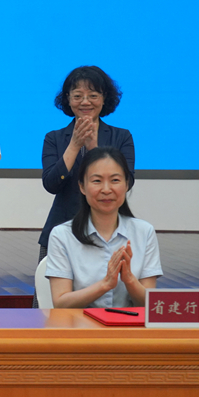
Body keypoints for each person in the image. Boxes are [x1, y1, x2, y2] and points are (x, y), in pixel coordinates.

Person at [36, 66, 134, 306]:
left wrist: (92, 148)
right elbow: (51, 184)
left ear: (104, 98)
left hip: (110, 232)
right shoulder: (54, 138)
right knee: (53, 305)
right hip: (61, 230)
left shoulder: (121, 137)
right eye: (77, 95)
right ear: (67, 99)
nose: (85, 102)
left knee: (110, 301)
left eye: (93, 95)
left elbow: (127, 182)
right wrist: (74, 145)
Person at [46, 146, 161, 308]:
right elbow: (61, 303)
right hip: (80, 323)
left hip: (129, 324)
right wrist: (105, 284)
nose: (106, 190)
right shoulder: (62, 235)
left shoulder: (144, 232)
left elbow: (151, 306)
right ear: (82, 186)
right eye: (97, 181)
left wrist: (129, 279)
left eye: (115, 180)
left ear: (127, 184)